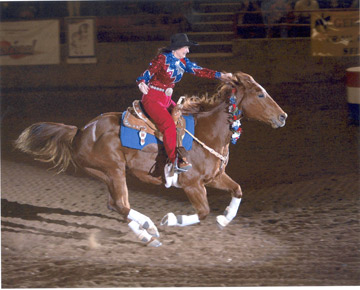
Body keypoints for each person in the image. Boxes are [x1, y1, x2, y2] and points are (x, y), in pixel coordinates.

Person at [136, 33, 232, 172]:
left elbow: (199, 70)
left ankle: (182, 150)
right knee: (168, 125)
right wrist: (141, 81)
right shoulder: (162, 59)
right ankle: (175, 161)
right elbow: (148, 72)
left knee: (183, 119)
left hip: (166, 99)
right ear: (176, 48)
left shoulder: (183, 62)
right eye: (185, 48)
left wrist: (220, 75)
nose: (187, 51)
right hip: (152, 99)